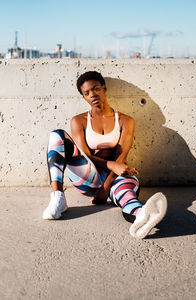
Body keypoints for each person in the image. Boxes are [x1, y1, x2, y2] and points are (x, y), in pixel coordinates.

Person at [43, 71, 167, 239]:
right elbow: (86, 156)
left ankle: (141, 217)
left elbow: (121, 157)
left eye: (96, 89)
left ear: (104, 88)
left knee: (127, 193)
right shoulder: (79, 121)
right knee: (57, 136)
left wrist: (106, 188)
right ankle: (58, 197)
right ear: (84, 97)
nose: (92, 94)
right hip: (88, 176)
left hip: (115, 176)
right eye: (87, 93)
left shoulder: (125, 120)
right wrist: (110, 165)